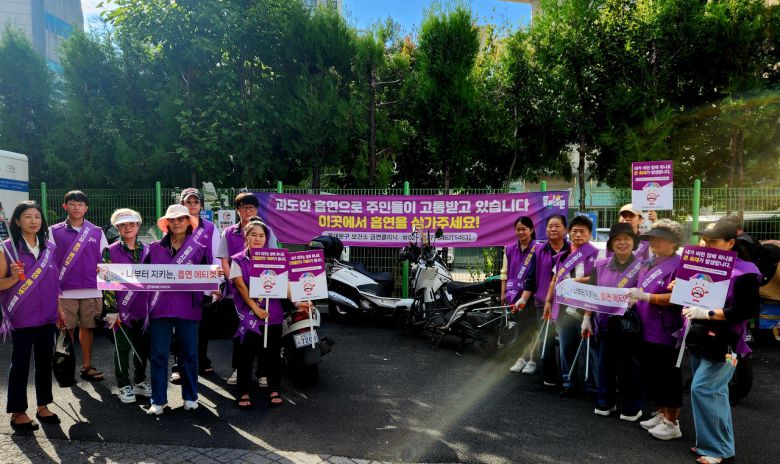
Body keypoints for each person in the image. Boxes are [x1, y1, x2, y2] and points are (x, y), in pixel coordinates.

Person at [685, 220, 760, 464]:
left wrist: (707, 313)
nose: (706, 245)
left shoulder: (745, 272)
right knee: (713, 392)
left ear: (730, 243)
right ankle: (715, 445)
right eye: (705, 240)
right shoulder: (700, 265)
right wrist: (680, 289)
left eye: (713, 241)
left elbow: (747, 310)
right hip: (700, 337)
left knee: (704, 389)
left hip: (727, 343)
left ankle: (717, 449)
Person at [145, 204, 220, 415]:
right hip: (160, 308)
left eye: (181, 219)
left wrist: (215, 284)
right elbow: (140, 276)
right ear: (166, 223)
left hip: (189, 307)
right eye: (172, 219)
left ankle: (190, 397)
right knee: (158, 354)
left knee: (189, 354)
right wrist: (107, 273)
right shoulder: (153, 248)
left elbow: (209, 275)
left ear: (188, 222)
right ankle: (158, 400)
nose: (177, 223)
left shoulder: (199, 248)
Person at [230, 218, 311, 409]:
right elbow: (240, 287)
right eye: (253, 235)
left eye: (261, 235)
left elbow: (285, 283)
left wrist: (298, 301)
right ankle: (243, 390)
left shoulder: (275, 258)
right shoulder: (238, 260)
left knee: (272, 354)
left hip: (272, 314)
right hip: (248, 316)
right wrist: (255, 308)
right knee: (245, 355)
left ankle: (274, 387)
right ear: (246, 237)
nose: (258, 239)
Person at [0, 201, 60, 430]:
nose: (33, 221)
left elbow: (54, 280)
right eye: (27, 216)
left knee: (45, 363)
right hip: (22, 317)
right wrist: (14, 277)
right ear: (17, 221)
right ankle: (18, 411)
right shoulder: (7, 249)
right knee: (21, 364)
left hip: (48, 316)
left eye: (37, 216)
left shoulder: (49, 247)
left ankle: (43, 406)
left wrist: (59, 308)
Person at [627, 219, 684, 440]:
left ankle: (672, 422)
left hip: (665, 330)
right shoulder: (648, 263)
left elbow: (679, 297)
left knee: (668, 376)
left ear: (674, 242)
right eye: (652, 238)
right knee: (653, 374)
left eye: (661, 239)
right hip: (645, 327)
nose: (655, 243)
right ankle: (661, 413)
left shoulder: (680, 265)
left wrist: (646, 297)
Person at [584, 223, 644, 421]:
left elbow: (646, 292)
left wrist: (636, 300)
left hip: (631, 326)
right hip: (605, 323)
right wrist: (586, 318)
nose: (622, 243)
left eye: (627, 238)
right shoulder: (600, 266)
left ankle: (631, 407)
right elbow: (591, 294)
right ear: (611, 244)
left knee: (630, 367)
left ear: (634, 242)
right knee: (605, 365)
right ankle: (605, 403)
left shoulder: (644, 266)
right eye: (617, 239)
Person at [217, 192, 277, 386]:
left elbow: (275, 259)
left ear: (257, 209)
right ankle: (238, 369)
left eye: (250, 207)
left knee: (263, 334)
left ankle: (263, 372)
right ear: (237, 210)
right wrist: (235, 281)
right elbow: (225, 260)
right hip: (237, 293)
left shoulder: (267, 231)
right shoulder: (228, 232)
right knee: (241, 334)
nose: (247, 211)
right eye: (243, 207)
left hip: (264, 292)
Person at [49, 190, 109, 382]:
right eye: (72, 204)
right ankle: (66, 370)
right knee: (66, 330)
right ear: (64, 206)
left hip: (92, 288)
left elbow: (106, 260)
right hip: (64, 290)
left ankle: (87, 366)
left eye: (80, 204)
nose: (76, 207)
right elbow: (48, 261)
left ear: (86, 208)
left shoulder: (97, 232)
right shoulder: (53, 231)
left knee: (88, 328)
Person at [543, 215, 599, 397]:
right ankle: (569, 382)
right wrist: (548, 302)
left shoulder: (596, 255)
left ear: (590, 233)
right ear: (569, 233)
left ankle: (591, 386)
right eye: (574, 231)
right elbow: (554, 280)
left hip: (586, 308)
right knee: (566, 347)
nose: (578, 234)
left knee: (589, 349)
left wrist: (573, 281)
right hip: (564, 308)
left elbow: (596, 279)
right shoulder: (563, 256)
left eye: (583, 231)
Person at [101, 208, 152, 404]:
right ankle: (123, 384)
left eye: (132, 224)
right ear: (117, 228)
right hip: (121, 309)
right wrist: (112, 309)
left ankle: (139, 381)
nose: (128, 227)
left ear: (138, 226)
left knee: (142, 348)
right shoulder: (110, 251)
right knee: (122, 348)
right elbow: (107, 282)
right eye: (123, 225)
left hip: (144, 308)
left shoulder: (149, 250)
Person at [172, 188, 221, 383]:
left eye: (195, 202)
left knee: (202, 326)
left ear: (201, 205)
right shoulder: (174, 225)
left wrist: (216, 283)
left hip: (204, 284)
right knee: (179, 327)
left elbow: (216, 256)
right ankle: (178, 365)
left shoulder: (210, 227)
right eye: (188, 202)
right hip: (180, 285)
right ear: (182, 204)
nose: (192, 205)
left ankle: (201, 360)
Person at [532, 214, 569, 386]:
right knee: (546, 339)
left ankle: (569, 377)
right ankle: (549, 376)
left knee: (568, 340)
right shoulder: (539, 251)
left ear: (565, 229)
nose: (553, 229)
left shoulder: (573, 251)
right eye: (550, 226)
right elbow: (531, 276)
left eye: (557, 226)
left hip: (567, 302)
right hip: (544, 302)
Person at [503, 216, 541, 375]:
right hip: (515, 295)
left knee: (533, 329)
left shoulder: (539, 249)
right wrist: (503, 293)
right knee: (520, 328)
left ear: (531, 230)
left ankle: (532, 360)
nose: (521, 232)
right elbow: (504, 272)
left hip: (533, 296)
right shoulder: (510, 249)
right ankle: (521, 358)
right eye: (518, 229)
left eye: (524, 229)